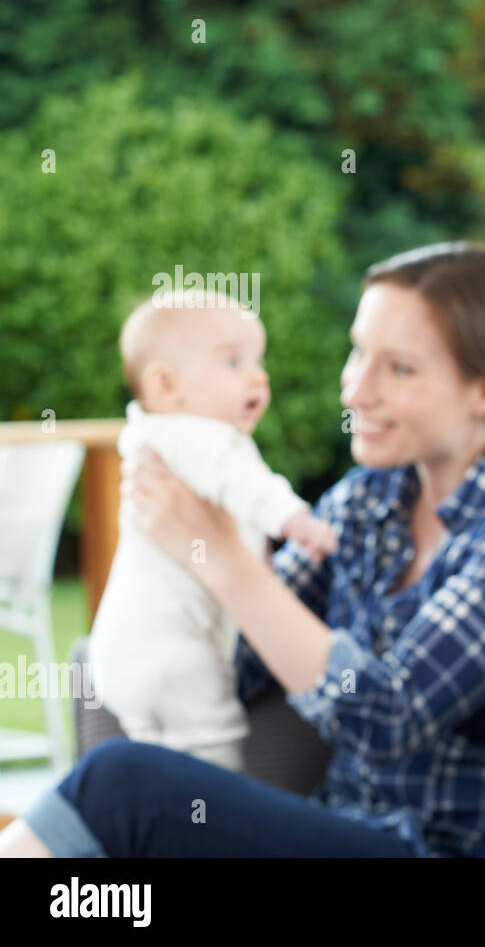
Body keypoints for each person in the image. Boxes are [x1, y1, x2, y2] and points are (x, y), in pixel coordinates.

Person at [0, 240, 485, 857]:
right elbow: (245, 660)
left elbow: (391, 717)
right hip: (347, 829)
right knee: (112, 811)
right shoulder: (372, 499)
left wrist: (219, 556)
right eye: (359, 353)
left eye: (398, 368)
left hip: (457, 851)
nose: (355, 391)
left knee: (119, 784)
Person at [88, 291, 337, 773]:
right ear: (165, 384)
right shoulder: (201, 437)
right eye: (233, 362)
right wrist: (296, 520)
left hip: (123, 651)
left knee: (153, 767)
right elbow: (248, 487)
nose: (257, 377)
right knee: (214, 760)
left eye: (258, 362)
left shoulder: (155, 437)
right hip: (176, 652)